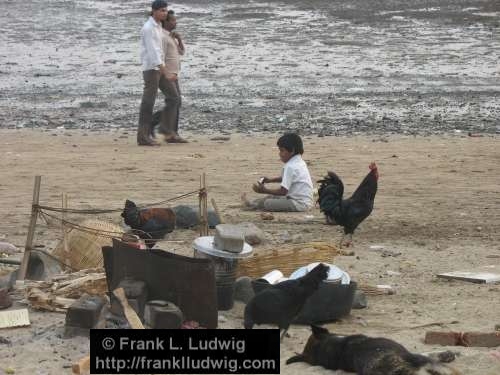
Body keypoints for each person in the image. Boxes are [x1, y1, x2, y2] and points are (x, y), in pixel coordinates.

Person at [242, 133, 314, 212]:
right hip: (305, 201)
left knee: (267, 202)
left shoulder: (290, 166)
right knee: (271, 197)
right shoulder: (299, 162)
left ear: (292, 150)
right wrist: (270, 180)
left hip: (298, 203)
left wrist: (264, 190)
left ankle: (253, 206)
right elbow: (287, 178)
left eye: (282, 150)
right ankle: (252, 204)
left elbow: (283, 192)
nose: (280, 154)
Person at [137, 0, 169, 146]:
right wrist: (162, 67)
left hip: (160, 67)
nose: (165, 13)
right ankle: (143, 137)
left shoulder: (158, 26)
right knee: (148, 102)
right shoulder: (149, 28)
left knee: (174, 97)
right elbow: (152, 50)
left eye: (166, 10)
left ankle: (160, 128)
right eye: (162, 10)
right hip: (152, 68)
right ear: (154, 11)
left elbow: (160, 48)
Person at [155, 10, 187, 143]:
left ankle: (171, 131)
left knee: (176, 102)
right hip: (167, 75)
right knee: (175, 100)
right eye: (173, 20)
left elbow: (181, 52)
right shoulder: (162, 36)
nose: (175, 22)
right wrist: (165, 73)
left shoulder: (170, 36)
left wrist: (179, 39)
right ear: (165, 22)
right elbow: (159, 57)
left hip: (174, 75)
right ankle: (167, 130)